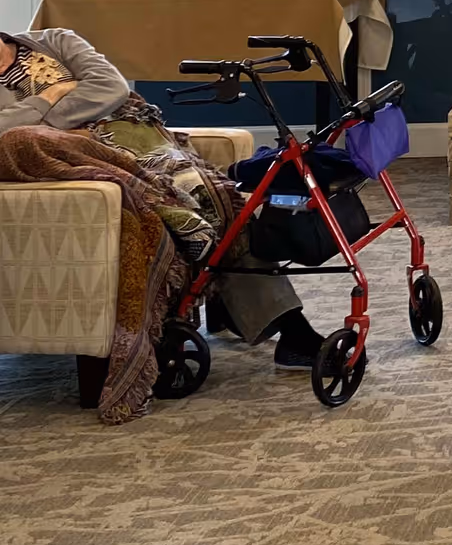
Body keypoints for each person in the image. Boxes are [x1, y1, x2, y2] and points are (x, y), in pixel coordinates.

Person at [0, 24, 322, 368]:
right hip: (86, 158)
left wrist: (44, 118)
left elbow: (112, 88)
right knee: (173, 207)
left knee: (210, 197)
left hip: (136, 134)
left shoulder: (55, 40)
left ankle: (289, 328)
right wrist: (51, 97)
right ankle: (292, 331)